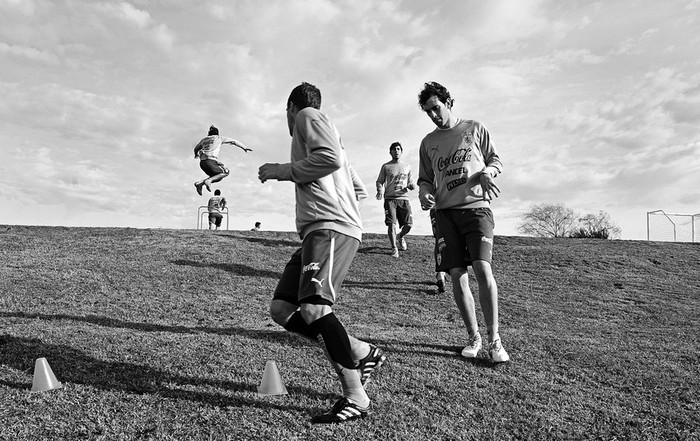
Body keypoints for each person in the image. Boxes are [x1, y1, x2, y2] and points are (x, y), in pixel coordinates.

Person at [258, 82, 385, 424]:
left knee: (314, 308)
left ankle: (356, 396)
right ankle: (361, 351)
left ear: (290, 107)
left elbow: (328, 160)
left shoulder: (306, 116)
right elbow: (356, 187)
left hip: (329, 228)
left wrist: (280, 171)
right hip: (318, 229)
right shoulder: (332, 135)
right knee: (282, 309)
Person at [416, 81, 509, 363]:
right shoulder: (428, 143)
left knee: (482, 268)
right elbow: (424, 180)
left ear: (449, 102)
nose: (433, 115)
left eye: (436, 108)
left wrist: (487, 174)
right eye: (427, 112)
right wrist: (424, 194)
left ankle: (495, 340)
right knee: (457, 273)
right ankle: (474, 337)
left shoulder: (474, 128)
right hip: (445, 214)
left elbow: (495, 160)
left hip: (477, 209)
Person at [375, 141, 415, 258]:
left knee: (409, 225)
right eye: (394, 149)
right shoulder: (386, 166)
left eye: (398, 149)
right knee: (391, 224)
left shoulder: (407, 166)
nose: (396, 151)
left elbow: (410, 181)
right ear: (390, 152)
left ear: (401, 151)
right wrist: (380, 190)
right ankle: (394, 248)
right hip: (390, 199)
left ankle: (400, 236)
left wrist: (411, 185)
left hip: (404, 199)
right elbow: (379, 181)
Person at [193, 125, 252, 195]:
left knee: (218, 178)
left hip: (202, 163)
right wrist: (244, 147)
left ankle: (200, 184)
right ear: (217, 133)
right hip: (211, 161)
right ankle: (208, 180)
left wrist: (196, 155)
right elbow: (233, 141)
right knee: (226, 172)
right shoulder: (219, 138)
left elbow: (196, 148)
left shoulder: (203, 140)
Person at [430, 208, 447, 294]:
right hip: (439, 207)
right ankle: (441, 274)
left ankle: (441, 274)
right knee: (440, 238)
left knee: (440, 238)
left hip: (440, 207)